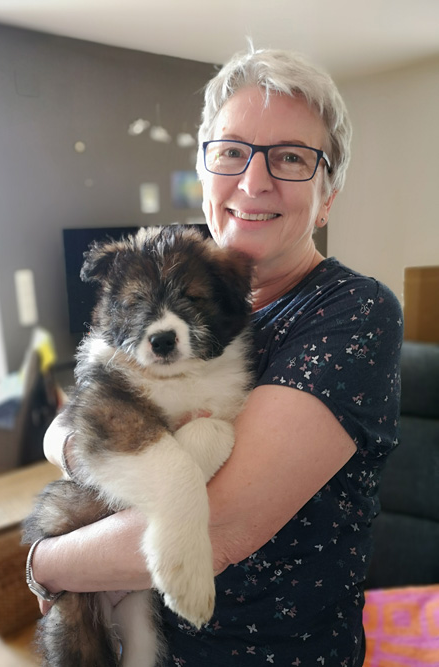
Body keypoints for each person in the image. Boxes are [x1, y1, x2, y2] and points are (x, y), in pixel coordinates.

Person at [32, 47, 403, 665]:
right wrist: (73, 442)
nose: (253, 182)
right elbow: (80, 415)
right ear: (205, 173)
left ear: (328, 196)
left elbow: (221, 525)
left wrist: (45, 564)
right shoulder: (186, 285)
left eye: (291, 157)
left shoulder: (353, 312)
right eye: (232, 151)